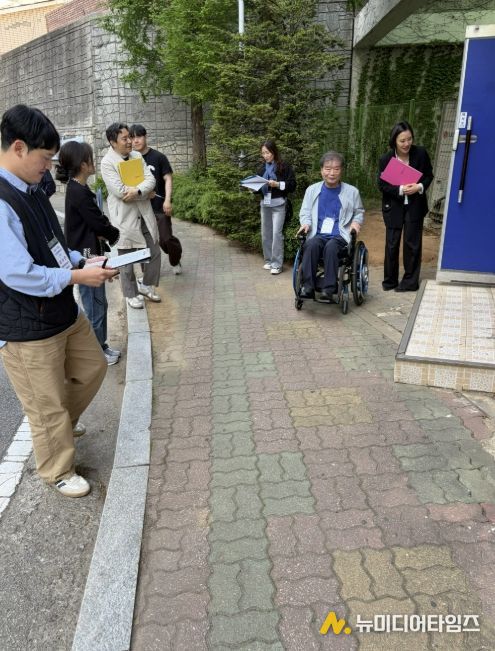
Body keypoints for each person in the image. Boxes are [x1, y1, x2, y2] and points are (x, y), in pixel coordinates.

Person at [0, 104, 118, 498]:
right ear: (19, 148)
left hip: (61, 311)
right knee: (45, 405)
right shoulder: (2, 200)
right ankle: (57, 469)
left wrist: (82, 261)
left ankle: (60, 429)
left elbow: (52, 244)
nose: (50, 167)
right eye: (45, 158)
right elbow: (19, 274)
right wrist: (77, 277)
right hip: (25, 326)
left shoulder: (31, 188)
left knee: (93, 367)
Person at [56, 140, 121, 365]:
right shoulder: (78, 191)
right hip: (85, 255)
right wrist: (113, 233)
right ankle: (97, 353)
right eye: (91, 159)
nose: (94, 162)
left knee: (99, 303)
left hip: (89, 251)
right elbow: (97, 221)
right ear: (83, 164)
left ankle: (101, 345)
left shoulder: (78, 188)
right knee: (94, 305)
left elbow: (93, 221)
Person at [101, 122, 162, 308]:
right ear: (113, 142)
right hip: (124, 216)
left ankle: (146, 285)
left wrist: (139, 191)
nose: (130, 141)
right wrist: (145, 192)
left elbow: (151, 180)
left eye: (129, 137)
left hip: (144, 212)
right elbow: (120, 192)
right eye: (125, 138)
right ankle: (130, 294)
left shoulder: (136, 156)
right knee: (127, 257)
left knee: (154, 251)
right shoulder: (107, 162)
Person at [297, 151, 364, 300]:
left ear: (341, 170)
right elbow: (305, 211)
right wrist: (306, 223)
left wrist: (355, 223)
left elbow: (359, 212)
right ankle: (308, 287)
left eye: (336, 169)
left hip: (340, 235)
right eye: (328, 169)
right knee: (311, 245)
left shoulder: (352, 192)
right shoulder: (312, 190)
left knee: (331, 247)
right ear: (321, 170)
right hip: (318, 234)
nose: (332, 173)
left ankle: (329, 289)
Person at [378, 120, 433, 292]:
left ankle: (410, 282)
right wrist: (400, 189)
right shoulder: (386, 159)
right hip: (394, 206)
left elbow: (428, 175)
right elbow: (382, 185)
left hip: (415, 205)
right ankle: (390, 280)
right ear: (394, 140)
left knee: (412, 244)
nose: (406, 144)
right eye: (402, 140)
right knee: (392, 244)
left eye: (409, 139)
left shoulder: (420, 153)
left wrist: (419, 187)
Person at [129, 124, 182, 275]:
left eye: (139, 136)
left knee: (166, 239)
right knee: (144, 243)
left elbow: (168, 179)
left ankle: (175, 259)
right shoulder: (129, 160)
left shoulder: (158, 157)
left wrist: (167, 200)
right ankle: (148, 274)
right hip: (140, 209)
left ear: (145, 137)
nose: (136, 141)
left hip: (159, 206)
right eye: (132, 137)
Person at [257, 140, 296, 275]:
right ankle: (268, 260)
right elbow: (258, 187)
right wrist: (253, 188)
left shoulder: (284, 166)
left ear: (274, 152)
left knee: (276, 234)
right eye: (263, 153)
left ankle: (277, 264)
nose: (265, 156)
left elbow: (292, 185)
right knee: (265, 234)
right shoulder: (262, 169)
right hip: (265, 204)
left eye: (268, 153)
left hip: (279, 204)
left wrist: (277, 184)